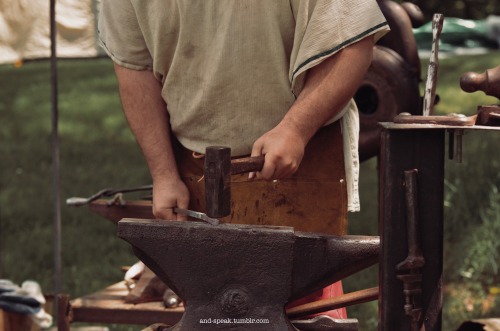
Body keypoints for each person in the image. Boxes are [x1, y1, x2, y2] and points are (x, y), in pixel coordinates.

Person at [98, 0, 389, 321]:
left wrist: (296, 128)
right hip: (192, 165)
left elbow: (352, 44)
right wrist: (163, 173)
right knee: (213, 309)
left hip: (303, 156)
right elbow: (134, 68)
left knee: (303, 306)